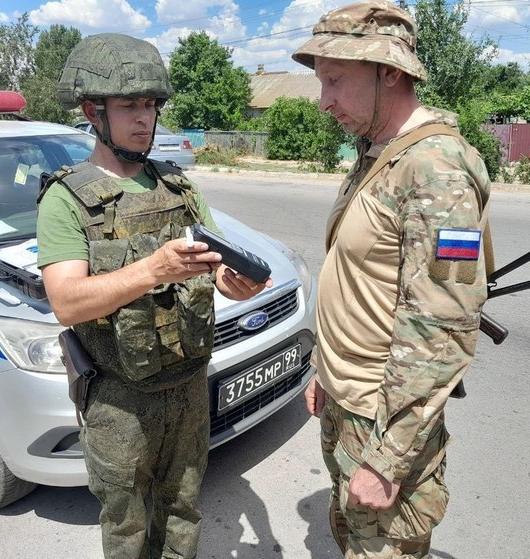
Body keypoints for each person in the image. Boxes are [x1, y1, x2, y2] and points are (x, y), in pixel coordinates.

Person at [36, 33, 271, 559]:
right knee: (127, 527)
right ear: (93, 112)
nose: (144, 118)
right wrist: (150, 270)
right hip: (120, 400)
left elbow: (214, 265)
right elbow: (68, 303)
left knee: (183, 509)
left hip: (188, 386)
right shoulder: (66, 198)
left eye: (150, 105)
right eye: (129, 106)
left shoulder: (180, 188)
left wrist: (232, 283)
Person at [292, 3, 493, 558]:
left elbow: (442, 330)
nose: (324, 100)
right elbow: (362, 281)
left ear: (391, 73)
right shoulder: (379, 153)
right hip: (346, 399)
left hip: (383, 422)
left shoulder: (436, 169)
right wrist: (325, 370)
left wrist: (388, 460)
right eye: (321, 82)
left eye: (335, 80)